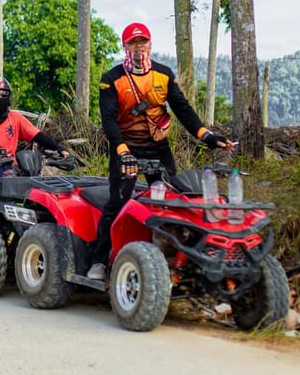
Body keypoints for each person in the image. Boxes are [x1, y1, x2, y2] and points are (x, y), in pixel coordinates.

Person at [87, 22, 234, 280]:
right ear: (125, 46)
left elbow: (183, 110)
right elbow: (108, 121)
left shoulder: (164, 75)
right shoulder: (111, 79)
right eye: (132, 43)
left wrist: (206, 136)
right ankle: (99, 261)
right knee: (119, 201)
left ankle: (171, 259)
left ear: (150, 44)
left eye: (142, 42)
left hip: (158, 148)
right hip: (125, 148)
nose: (138, 47)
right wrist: (122, 150)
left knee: (173, 202)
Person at [0, 76, 69, 185]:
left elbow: (37, 136)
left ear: (9, 96)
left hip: (9, 167)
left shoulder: (16, 118)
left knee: (32, 186)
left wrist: (59, 148)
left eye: (4, 94)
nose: (0, 97)